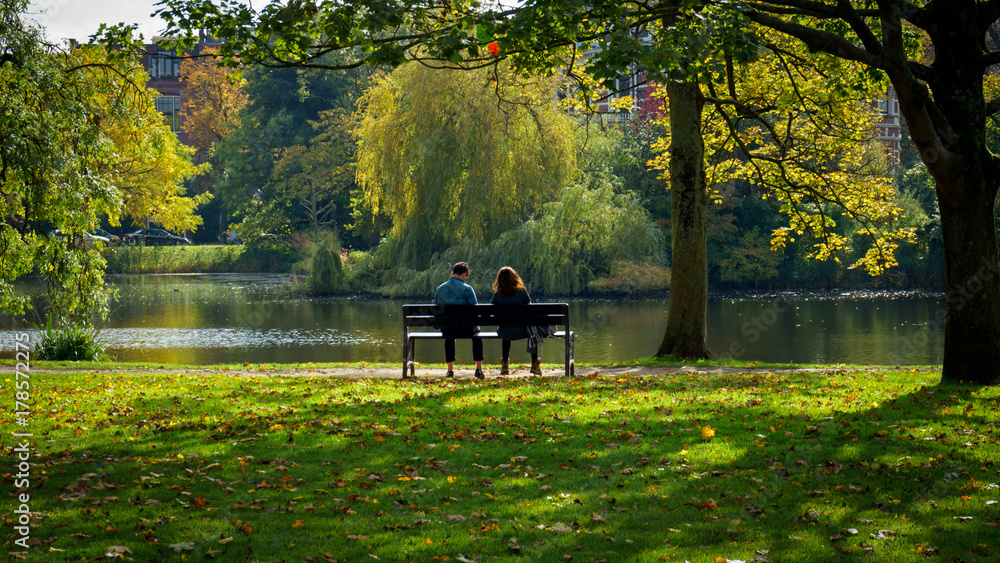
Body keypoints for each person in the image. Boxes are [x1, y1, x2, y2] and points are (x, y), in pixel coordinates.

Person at [434, 262, 485, 379]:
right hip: (467, 329)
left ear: (452, 274)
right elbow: (475, 309)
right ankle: (478, 369)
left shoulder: (440, 289)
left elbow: (436, 309)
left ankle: (450, 370)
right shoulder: (468, 289)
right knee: (477, 333)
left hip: (448, 329)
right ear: (464, 275)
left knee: (449, 334)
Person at [490, 266, 541, 376]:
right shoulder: (522, 292)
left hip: (504, 331)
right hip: (523, 331)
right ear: (514, 278)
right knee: (533, 333)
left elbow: (491, 312)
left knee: (505, 331)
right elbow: (530, 309)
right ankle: (534, 364)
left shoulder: (497, 295)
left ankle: (504, 365)